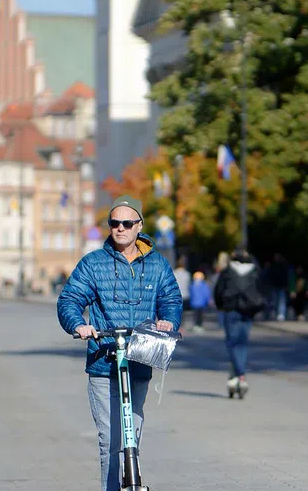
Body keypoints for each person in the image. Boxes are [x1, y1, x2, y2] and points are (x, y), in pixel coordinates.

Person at [57, 194, 182, 491]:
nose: (120, 228)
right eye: (114, 223)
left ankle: (132, 482)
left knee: (132, 436)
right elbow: (70, 299)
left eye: (127, 223)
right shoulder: (94, 263)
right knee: (111, 440)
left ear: (139, 225)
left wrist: (169, 321)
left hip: (139, 359)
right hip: (103, 360)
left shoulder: (157, 264)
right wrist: (78, 324)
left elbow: (171, 299)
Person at [213, 249, 263, 397]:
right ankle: (237, 376)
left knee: (233, 344)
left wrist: (220, 306)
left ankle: (239, 375)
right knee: (242, 343)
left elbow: (218, 290)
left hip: (231, 310)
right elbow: (261, 290)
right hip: (248, 310)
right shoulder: (254, 271)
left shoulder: (228, 271)